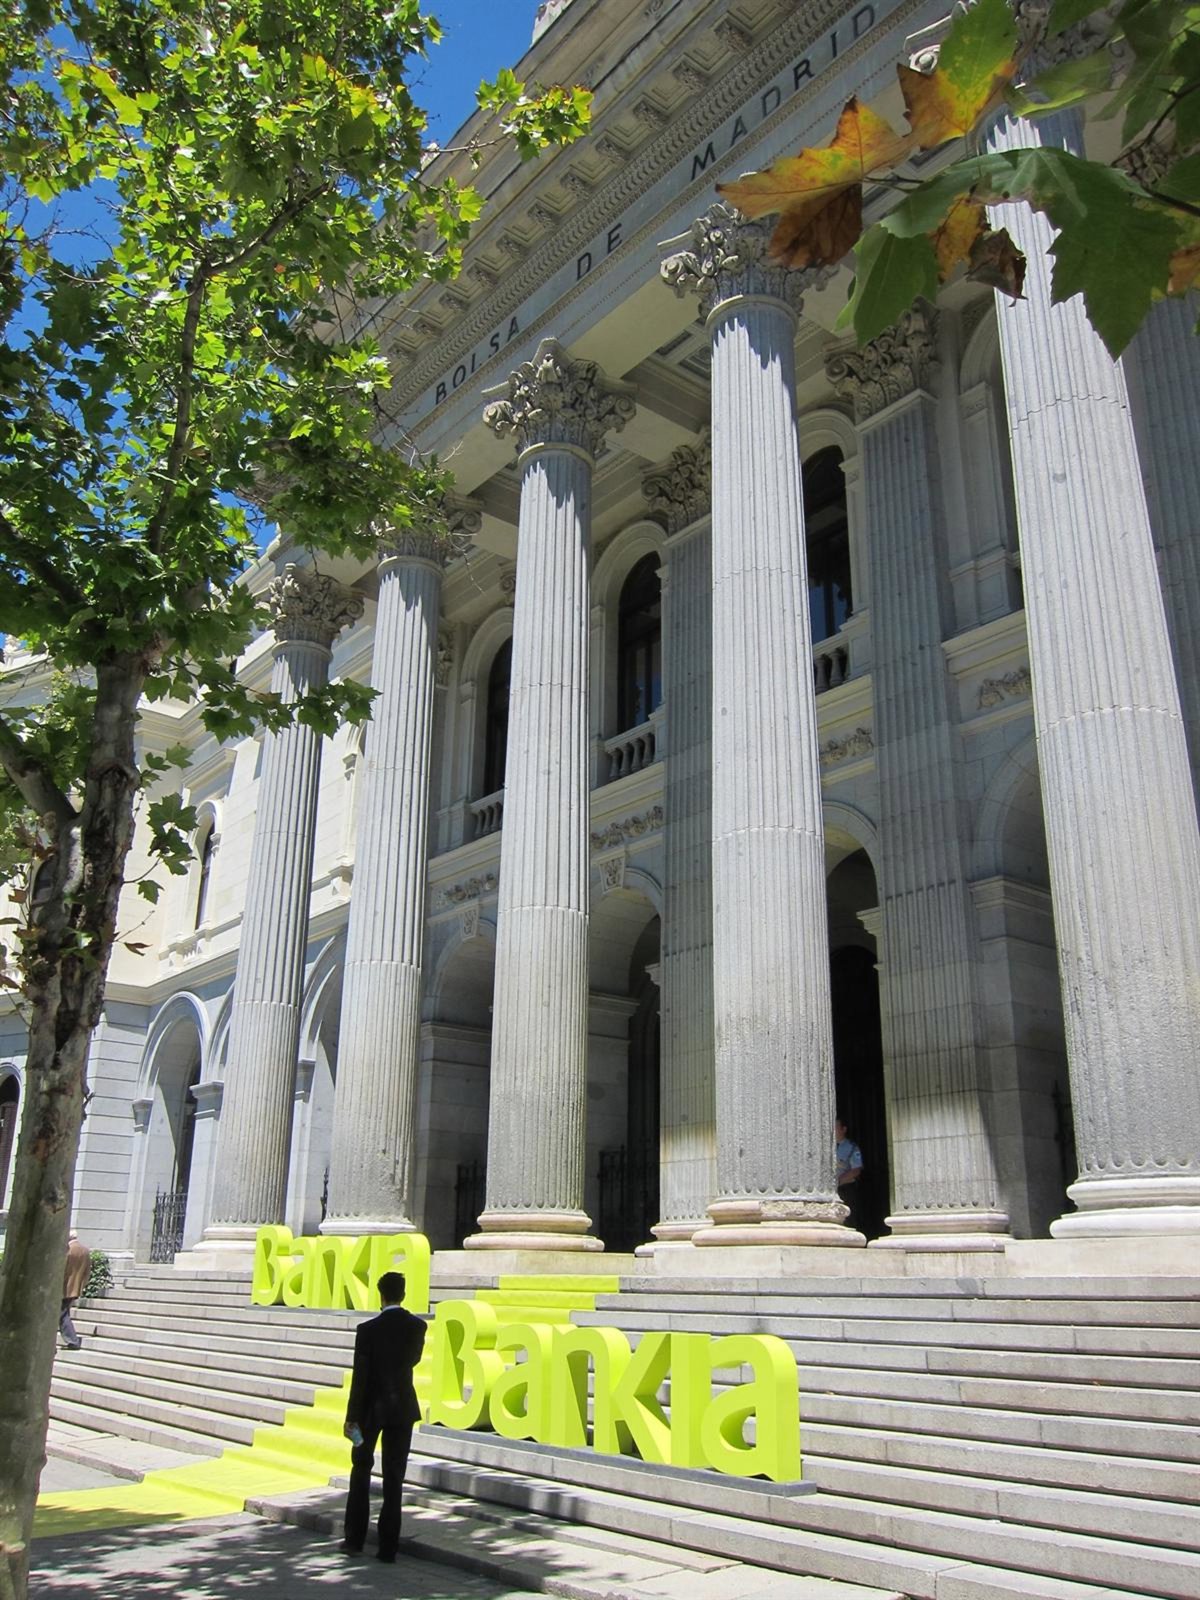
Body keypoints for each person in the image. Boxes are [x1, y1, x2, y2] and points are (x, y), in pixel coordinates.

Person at [341, 1270, 426, 1563]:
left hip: (369, 1410)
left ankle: (354, 1539)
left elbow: (360, 1377)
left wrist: (351, 1416)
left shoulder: (367, 1330)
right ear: (403, 1294)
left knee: (361, 1470)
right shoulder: (417, 1326)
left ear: (381, 1295)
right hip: (402, 1409)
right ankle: (388, 1547)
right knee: (394, 1476)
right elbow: (413, 1360)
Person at [61, 1230, 90, 1351]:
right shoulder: (85, 1251)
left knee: (62, 1315)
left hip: (63, 1288)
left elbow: (62, 1269)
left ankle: (72, 1340)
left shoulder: (68, 1249)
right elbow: (87, 1271)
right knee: (64, 1313)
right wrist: (82, 1286)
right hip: (75, 1288)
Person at [835, 1118, 864, 1230]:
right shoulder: (827, 1147)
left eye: (836, 1127)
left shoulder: (851, 1147)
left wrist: (838, 1181)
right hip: (830, 1190)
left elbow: (856, 1170)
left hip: (845, 1188)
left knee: (847, 1218)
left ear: (844, 1129)